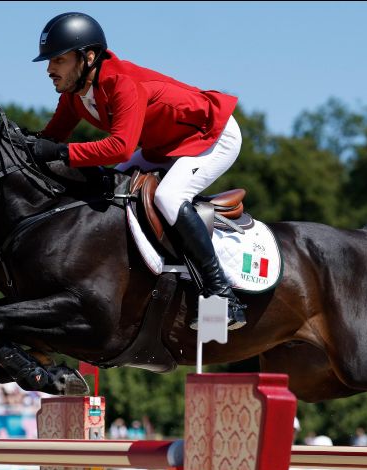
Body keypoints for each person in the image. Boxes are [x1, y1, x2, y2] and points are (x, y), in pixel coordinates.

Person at [30, 12, 247, 330]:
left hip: (211, 136)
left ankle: (222, 296)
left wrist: (62, 153)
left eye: (58, 60)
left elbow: (119, 147)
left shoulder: (121, 84)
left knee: (170, 197)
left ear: (88, 58)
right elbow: (51, 139)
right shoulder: (75, 95)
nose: (50, 69)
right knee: (110, 188)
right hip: (164, 146)